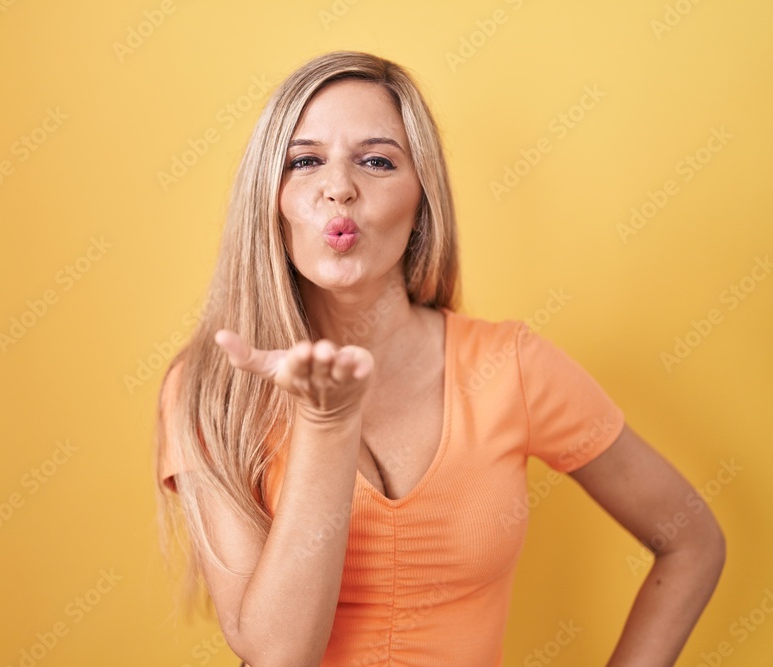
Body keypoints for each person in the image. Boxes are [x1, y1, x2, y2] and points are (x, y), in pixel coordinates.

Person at [153, 50, 725, 667]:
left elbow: (691, 540)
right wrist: (327, 424)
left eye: (376, 161)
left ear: (423, 199)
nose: (339, 188)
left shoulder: (512, 367)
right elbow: (277, 654)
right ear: (269, 197)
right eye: (305, 160)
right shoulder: (212, 388)